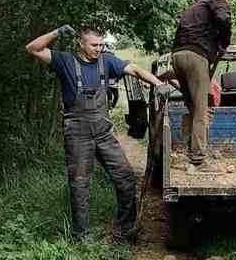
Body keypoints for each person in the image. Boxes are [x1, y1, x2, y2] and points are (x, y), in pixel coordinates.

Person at [25, 25, 166, 241]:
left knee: (126, 178)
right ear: (81, 44)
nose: (98, 49)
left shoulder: (107, 61)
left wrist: (158, 84)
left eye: (101, 44)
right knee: (80, 184)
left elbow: (135, 70)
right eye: (94, 45)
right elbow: (33, 48)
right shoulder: (65, 61)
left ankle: (126, 229)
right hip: (77, 133)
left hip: (103, 132)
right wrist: (56, 33)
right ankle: (81, 236)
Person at [170, 0, 232, 172]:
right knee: (201, 112)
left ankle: (188, 153)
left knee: (192, 108)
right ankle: (197, 161)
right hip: (196, 57)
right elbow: (223, 18)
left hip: (177, 57)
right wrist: (224, 41)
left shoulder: (194, 7)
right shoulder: (218, 0)